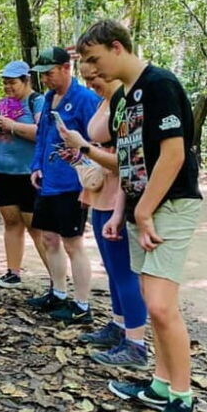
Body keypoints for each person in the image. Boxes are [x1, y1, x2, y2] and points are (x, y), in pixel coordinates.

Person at [76, 19, 203, 412]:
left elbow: (172, 155)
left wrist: (145, 209)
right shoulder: (126, 99)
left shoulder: (160, 84)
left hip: (170, 205)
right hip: (139, 209)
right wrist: (121, 210)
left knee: (163, 307)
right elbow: (130, 163)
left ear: (118, 47)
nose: (92, 71)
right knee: (153, 303)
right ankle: (161, 384)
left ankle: (182, 399)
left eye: (94, 60)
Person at [58, 62, 148, 370]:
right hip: (99, 190)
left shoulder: (125, 102)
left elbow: (128, 159)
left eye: (97, 74)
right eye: (88, 76)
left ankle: (136, 343)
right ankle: (119, 324)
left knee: (124, 270)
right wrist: (81, 152)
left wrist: (85, 148)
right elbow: (97, 146)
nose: (92, 80)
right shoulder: (104, 102)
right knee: (111, 267)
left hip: (116, 193)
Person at [27, 47, 100, 324]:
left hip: (72, 183)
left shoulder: (85, 99)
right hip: (48, 182)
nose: (45, 78)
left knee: (73, 244)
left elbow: (96, 143)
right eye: (42, 74)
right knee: (48, 238)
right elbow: (43, 134)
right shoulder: (48, 98)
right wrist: (36, 165)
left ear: (66, 68)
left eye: (49, 73)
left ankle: (82, 305)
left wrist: (86, 177)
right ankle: (58, 293)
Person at [0, 61, 49, 288]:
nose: (8, 87)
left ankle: (57, 280)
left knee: (35, 226)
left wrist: (12, 125)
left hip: (28, 173)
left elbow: (43, 133)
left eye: (12, 82)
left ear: (26, 80)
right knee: (11, 222)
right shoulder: (1, 105)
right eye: (5, 82)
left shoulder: (37, 102)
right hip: (2, 171)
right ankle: (12, 272)